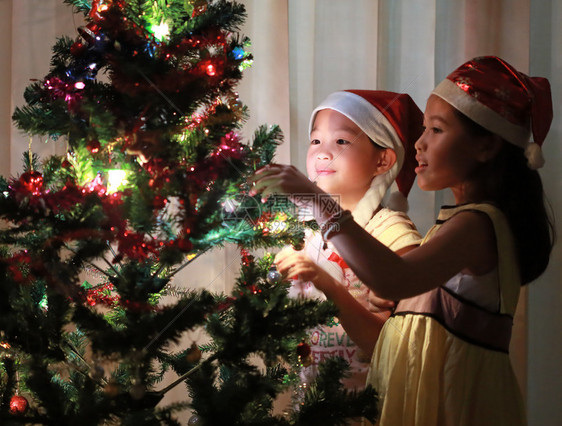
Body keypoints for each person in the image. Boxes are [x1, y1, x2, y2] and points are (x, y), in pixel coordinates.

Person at [251, 56, 554, 425]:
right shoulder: (453, 225)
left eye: (436, 131)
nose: (419, 144)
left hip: (454, 402)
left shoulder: (478, 224)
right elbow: (395, 299)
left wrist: (318, 203)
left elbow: (394, 277)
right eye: (422, 130)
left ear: (485, 146)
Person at [275, 90, 423, 400]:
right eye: (316, 141)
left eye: (341, 142)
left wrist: (325, 281)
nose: (323, 153)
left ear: (382, 160)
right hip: (312, 405)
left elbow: (391, 345)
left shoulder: (391, 234)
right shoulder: (303, 231)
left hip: (372, 408)